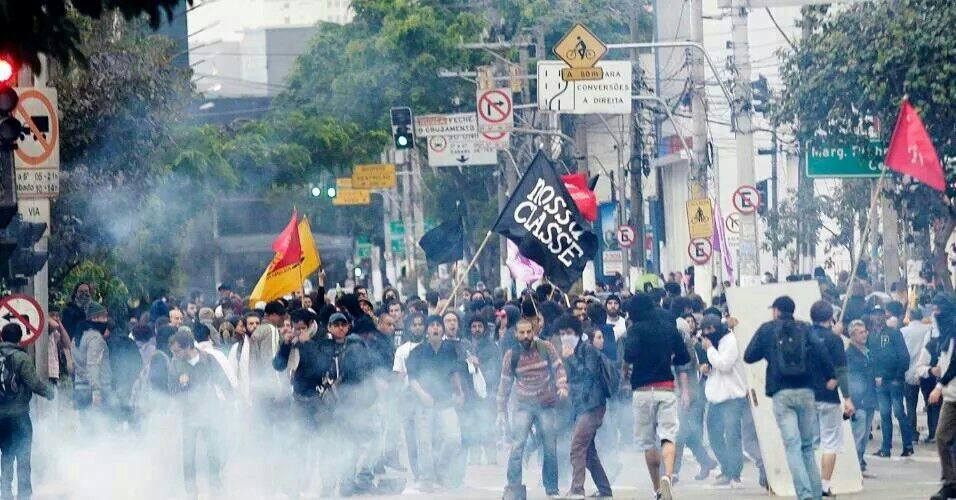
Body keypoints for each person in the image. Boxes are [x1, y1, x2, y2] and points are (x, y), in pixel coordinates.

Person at [744, 296, 836, 500]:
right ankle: (815, 494)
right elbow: (821, 351)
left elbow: (749, 356)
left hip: (781, 393)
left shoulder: (767, 329)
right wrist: (830, 376)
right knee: (807, 447)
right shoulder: (805, 328)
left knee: (792, 447)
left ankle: (804, 495)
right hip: (806, 391)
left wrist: (769, 352)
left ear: (776, 311)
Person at [623, 293, 691, 500]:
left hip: (642, 391)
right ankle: (668, 476)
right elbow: (684, 357)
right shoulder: (669, 330)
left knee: (648, 442)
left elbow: (629, 356)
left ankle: (657, 489)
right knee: (668, 436)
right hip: (666, 388)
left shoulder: (635, 330)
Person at [498, 318, 568, 498]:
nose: (526, 336)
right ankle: (513, 487)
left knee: (550, 447)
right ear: (516, 334)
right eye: (522, 333)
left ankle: (551, 488)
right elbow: (505, 385)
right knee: (517, 446)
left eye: (529, 332)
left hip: (545, 403)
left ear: (534, 331)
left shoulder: (546, 348)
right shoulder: (511, 355)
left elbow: (558, 368)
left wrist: (562, 386)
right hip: (523, 405)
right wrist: (500, 410)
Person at [168, 329, 234, 497]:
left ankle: (216, 487)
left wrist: (232, 403)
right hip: (189, 415)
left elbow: (224, 382)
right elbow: (172, 392)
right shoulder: (175, 364)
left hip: (210, 412)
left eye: (177, 351)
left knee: (213, 450)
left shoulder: (208, 359)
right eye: (173, 352)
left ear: (189, 346)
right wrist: (182, 386)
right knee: (188, 455)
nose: (175, 355)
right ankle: (191, 491)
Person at [406, 315, 466, 490]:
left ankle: (440, 468)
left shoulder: (450, 349)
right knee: (424, 441)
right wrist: (422, 394)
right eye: (431, 325)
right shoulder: (417, 352)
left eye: (438, 325)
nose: (435, 328)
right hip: (423, 404)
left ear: (442, 330)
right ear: (427, 331)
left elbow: (454, 373)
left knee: (454, 438)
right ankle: (427, 477)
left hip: (446, 401)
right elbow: (412, 378)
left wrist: (459, 393)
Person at [556, 315, 613, 499]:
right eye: (562, 333)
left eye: (569, 333)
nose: (565, 337)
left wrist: (571, 358)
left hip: (592, 405)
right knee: (588, 452)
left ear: (578, 333)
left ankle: (577, 490)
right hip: (580, 406)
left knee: (577, 447)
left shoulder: (588, 350)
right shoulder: (568, 351)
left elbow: (589, 376)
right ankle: (605, 491)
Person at [0, 323, 54, 500]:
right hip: (19, 416)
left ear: (2, 337)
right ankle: (24, 495)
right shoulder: (22, 358)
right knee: (23, 457)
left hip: (1, 418)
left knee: (6, 455)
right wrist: (49, 392)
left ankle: (5, 492)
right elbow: (34, 383)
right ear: (19, 339)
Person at [808, 301, 853, 497]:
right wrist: (848, 398)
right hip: (828, 396)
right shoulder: (835, 340)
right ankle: (824, 485)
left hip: (805, 395)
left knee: (807, 443)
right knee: (830, 443)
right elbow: (842, 371)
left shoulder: (804, 337)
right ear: (830, 318)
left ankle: (808, 482)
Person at [699, 314, 748, 487]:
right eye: (704, 331)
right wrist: (706, 368)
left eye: (709, 330)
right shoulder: (716, 343)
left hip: (732, 398)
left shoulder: (730, 341)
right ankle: (726, 469)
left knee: (732, 436)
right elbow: (716, 367)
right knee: (714, 437)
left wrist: (710, 349)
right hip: (715, 397)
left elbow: (725, 364)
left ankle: (735, 474)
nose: (707, 334)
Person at [867, 306, 913, 457]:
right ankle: (886, 448)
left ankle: (908, 445)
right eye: (875, 315)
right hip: (879, 382)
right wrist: (873, 376)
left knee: (899, 412)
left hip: (894, 380)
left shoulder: (894, 333)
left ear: (884, 317)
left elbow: (904, 356)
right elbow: (870, 359)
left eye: (880, 314)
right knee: (885, 415)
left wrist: (897, 376)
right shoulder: (871, 336)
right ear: (871, 318)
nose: (878, 318)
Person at [928, 293, 956, 500]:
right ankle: (950, 483)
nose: (935, 314)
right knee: (942, 437)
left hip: (948, 389)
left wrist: (939, 385)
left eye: (938, 310)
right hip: (951, 396)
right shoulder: (945, 334)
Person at [393, 312, 426, 482]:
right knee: (412, 437)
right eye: (414, 324)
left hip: (428, 396)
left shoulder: (431, 347)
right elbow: (398, 377)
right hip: (408, 397)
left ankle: (431, 471)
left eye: (421, 324)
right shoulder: (402, 350)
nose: (418, 327)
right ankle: (418, 473)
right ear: (408, 327)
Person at [846, 319, 877, 475]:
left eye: (865, 331)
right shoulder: (850, 355)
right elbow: (852, 379)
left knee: (864, 436)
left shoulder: (867, 352)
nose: (864, 334)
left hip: (870, 398)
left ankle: (859, 464)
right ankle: (853, 468)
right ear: (852, 336)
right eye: (860, 332)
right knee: (857, 436)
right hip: (858, 401)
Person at [468, 315, 501, 465]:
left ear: (484, 328)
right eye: (474, 326)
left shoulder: (491, 347)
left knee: (487, 425)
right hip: (471, 395)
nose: (476, 329)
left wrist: (478, 366)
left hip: (488, 393)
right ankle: (474, 458)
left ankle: (491, 459)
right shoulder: (466, 346)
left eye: (479, 326)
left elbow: (494, 370)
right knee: (472, 426)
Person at [72, 302, 112, 414]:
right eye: (103, 317)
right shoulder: (95, 338)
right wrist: (96, 391)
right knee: (100, 427)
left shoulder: (77, 336)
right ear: (94, 318)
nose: (106, 320)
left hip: (80, 388)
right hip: (94, 391)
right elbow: (93, 364)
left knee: (86, 428)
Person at [901, 308, 933, 443]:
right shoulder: (928, 329)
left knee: (910, 405)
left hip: (909, 371)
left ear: (909, 317)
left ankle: (912, 435)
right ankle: (932, 432)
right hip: (926, 370)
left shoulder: (903, 331)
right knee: (930, 403)